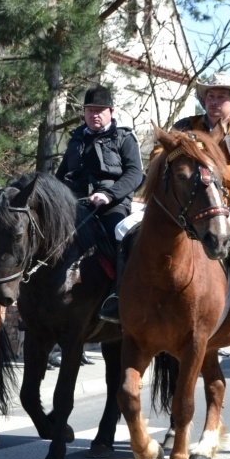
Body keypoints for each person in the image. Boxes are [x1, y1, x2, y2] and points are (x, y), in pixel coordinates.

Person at [170, 73, 230, 325]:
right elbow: (161, 153)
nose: (214, 101)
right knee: (132, 228)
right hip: (183, 203)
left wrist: (209, 168)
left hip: (224, 205)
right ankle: (121, 293)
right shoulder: (184, 126)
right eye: (210, 95)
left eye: (221, 97)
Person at [58, 85, 143, 323]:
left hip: (111, 204)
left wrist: (109, 194)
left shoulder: (125, 138)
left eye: (100, 110)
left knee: (121, 235)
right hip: (75, 203)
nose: (95, 114)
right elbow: (60, 175)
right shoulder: (75, 139)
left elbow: (135, 173)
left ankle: (119, 295)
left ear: (111, 111)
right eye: (90, 110)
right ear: (84, 112)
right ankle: (38, 296)